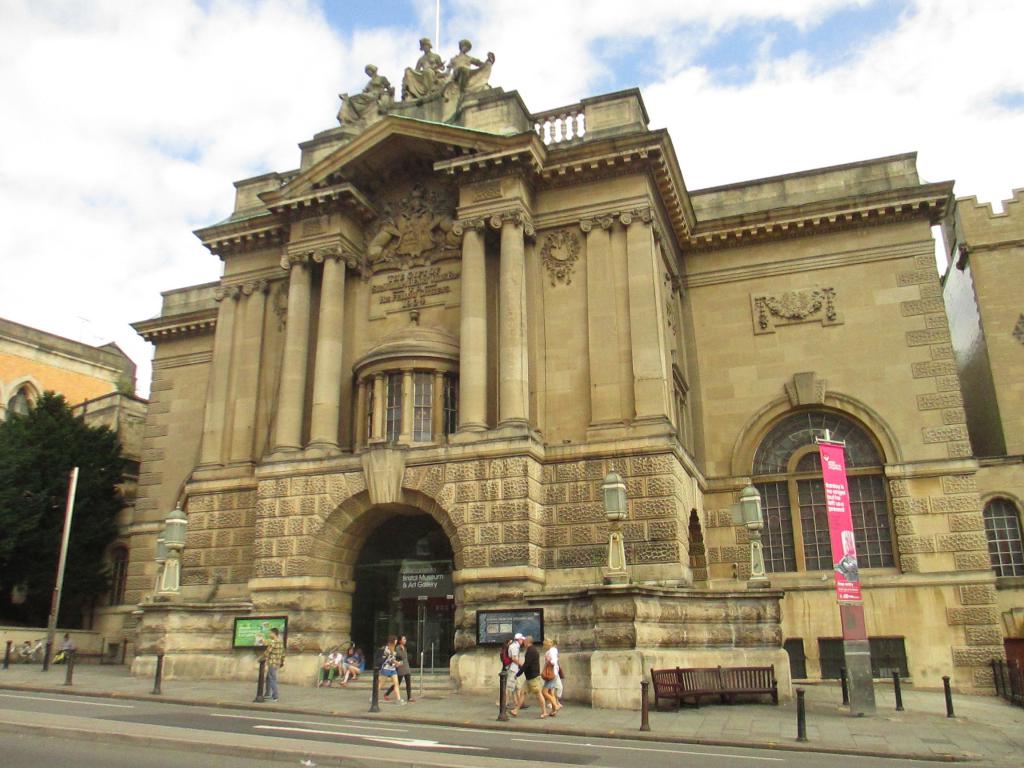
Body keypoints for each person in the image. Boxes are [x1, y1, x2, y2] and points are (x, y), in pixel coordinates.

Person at [510, 635, 546, 718]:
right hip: (529, 677)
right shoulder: (531, 650)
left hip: (533, 677)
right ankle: (516, 710)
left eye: (524, 641)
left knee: (538, 694)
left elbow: (526, 665)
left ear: (527, 642)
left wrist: (518, 674)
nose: (523, 643)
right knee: (523, 693)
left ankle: (544, 712)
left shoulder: (531, 651)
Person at [378, 635, 404, 704]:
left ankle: (398, 699)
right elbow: (390, 659)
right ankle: (374, 697)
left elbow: (394, 659)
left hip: (392, 669)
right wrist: (397, 663)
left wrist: (398, 663)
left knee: (396, 684)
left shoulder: (394, 648)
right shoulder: (387, 648)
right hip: (386, 668)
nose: (396, 641)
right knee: (381, 684)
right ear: (393, 640)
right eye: (395, 640)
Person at [262, 627, 284, 701]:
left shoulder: (273, 642)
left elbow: (267, 652)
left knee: (272, 679)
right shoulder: (280, 642)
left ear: (274, 634)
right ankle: (268, 693)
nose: (269, 634)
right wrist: (281, 662)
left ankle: (275, 696)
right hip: (277, 663)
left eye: (270, 633)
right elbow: (283, 653)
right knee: (268, 677)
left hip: (272, 663)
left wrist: (261, 658)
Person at [504, 632, 524, 714]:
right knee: (510, 687)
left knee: (517, 687)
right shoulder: (515, 646)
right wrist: (522, 664)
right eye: (522, 639)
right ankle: (504, 704)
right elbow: (514, 658)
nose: (522, 641)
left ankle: (518, 703)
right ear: (518, 640)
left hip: (515, 669)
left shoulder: (515, 646)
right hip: (513, 669)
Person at [541, 638, 562, 716]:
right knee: (550, 692)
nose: (544, 646)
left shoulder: (552, 651)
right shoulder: (552, 650)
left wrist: (548, 660)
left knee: (544, 691)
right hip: (552, 673)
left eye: (544, 644)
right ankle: (554, 710)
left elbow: (553, 661)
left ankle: (555, 705)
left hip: (551, 673)